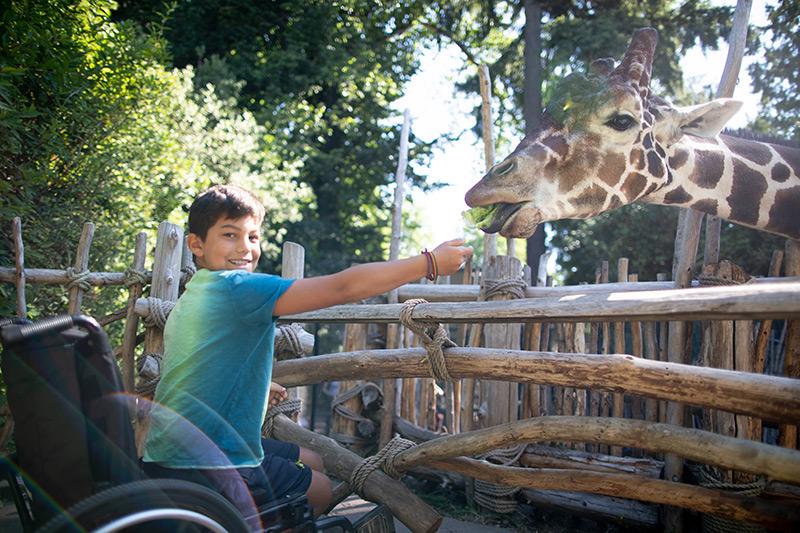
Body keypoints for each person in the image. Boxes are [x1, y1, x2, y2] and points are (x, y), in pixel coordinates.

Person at [142, 184, 473, 522]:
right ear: (196, 243)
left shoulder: (193, 294)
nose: (245, 248)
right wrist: (428, 262)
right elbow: (342, 287)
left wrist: (259, 384)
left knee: (312, 460)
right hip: (212, 462)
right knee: (320, 490)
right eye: (230, 234)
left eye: (253, 237)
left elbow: (196, 362)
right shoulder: (238, 289)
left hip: (168, 452)